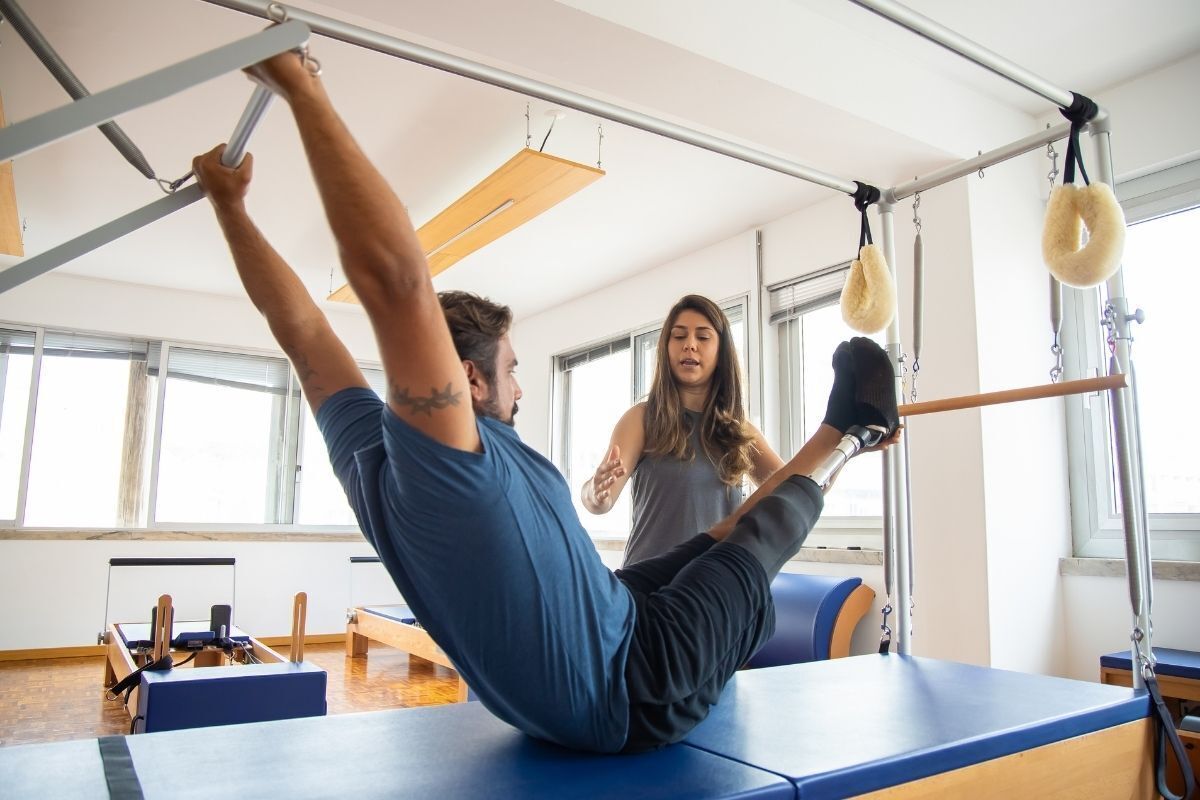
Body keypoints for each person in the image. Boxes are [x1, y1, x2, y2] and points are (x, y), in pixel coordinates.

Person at [194, 48, 900, 755]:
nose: (522, 388)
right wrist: (301, 86)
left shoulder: (364, 445)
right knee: (752, 547)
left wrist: (229, 207)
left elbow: (303, 329)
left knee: (711, 541)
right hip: (634, 685)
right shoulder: (443, 461)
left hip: (617, 614)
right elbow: (393, 278)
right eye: (512, 369)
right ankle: (850, 433)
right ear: (471, 381)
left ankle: (842, 435)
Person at [581, 295, 784, 565]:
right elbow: (599, 501)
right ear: (666, 347)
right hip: (651, 590)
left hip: (714, 589)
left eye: (703, 337)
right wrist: (595, 491)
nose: (689, 345)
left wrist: (845, 444)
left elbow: (798, 486)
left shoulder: (739, 432)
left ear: (721, 350)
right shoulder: (641, 419)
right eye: (678, 337)